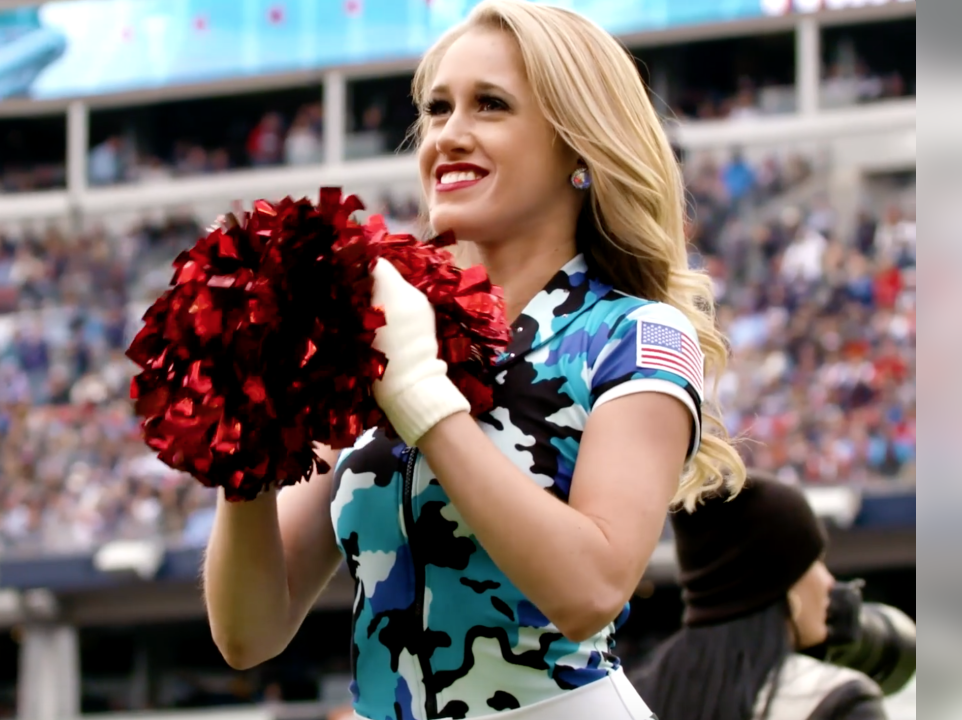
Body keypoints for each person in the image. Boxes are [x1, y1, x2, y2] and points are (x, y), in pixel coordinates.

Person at [203, 2, 745, 718]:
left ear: (576, 148)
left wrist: (423, 396)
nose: (448, 135)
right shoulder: (380, 324)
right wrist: (248, 439)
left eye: (490, 105)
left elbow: (589, 591)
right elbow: (250, 633)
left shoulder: (635, 336)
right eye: (436, 109)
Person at [632, 473, 888, 719]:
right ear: (783, 587)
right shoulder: (837, 700)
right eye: (816, 562)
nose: (829, 582)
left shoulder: (637, 694)